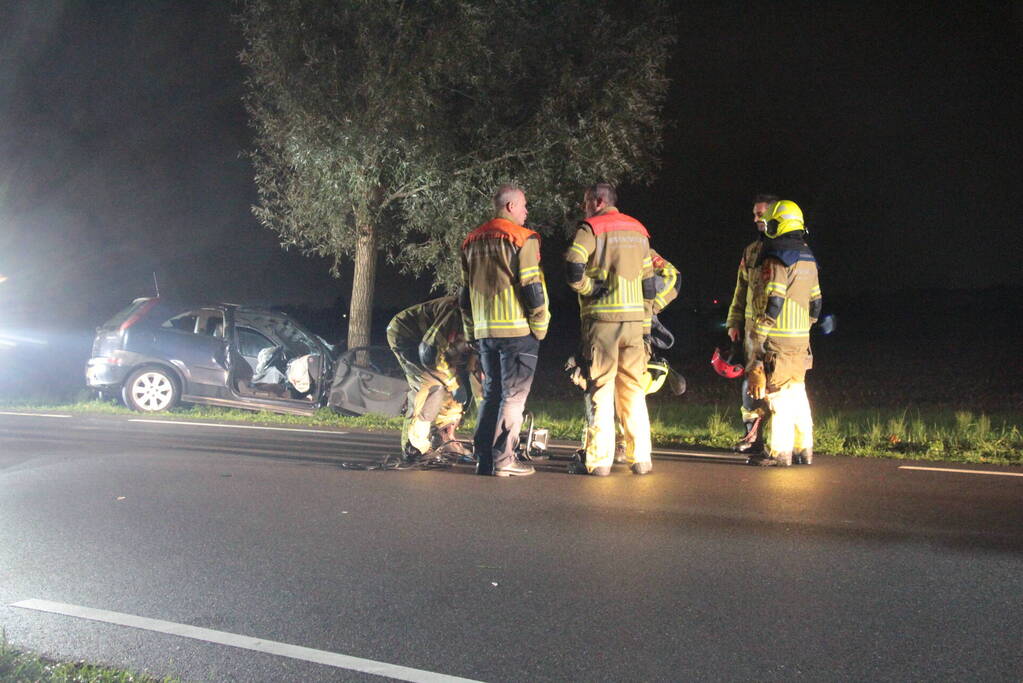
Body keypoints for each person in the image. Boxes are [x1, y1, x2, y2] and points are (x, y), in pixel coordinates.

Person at [565, 182, 656, 476]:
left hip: (602, 323)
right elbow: (649, 284)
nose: (584, 208)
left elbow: (572, 265)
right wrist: (644, 325)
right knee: (633, 391)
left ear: (598, 201)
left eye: (586, 202)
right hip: (633, 326)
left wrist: (588, 287)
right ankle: (640, 459)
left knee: (600, 390)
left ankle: (599, 461)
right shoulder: (639, 230)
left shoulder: (591, 228)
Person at [459, 185, 550, 477]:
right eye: (524, 206)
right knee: (513, 398)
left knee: (491, 395)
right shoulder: (523, 238)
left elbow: (464, 295)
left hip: (485, 332)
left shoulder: (471, 241)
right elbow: (532, 288)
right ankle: (503, 459)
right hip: (517, 331)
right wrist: (540, 327)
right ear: (510, 207)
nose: (526, 212)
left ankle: (483, 458)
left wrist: (472, 332)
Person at [745, 199, 821, 466]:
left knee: (777, 396)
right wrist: (806, 326)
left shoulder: (777, 255)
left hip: (778, 338)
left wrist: (759, 334)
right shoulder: (808, 255)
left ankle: (780, 453)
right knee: (797, 392)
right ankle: (804, 449)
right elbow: (816, 302)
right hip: (802, 338)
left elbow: (774, 300)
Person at [386, 295, 474, 462]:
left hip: (436, 344)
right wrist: (453, 384)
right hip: (406, 335)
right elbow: (430, 354)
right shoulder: (456, 313)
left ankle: (444, 437)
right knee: (431, 387)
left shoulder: (483, 319)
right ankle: (414, 447)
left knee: (455, 384)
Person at [725, 194, 779, 459]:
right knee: (751, 386)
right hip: (751, 333)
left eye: (761, 214)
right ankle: (754, 441)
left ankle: (782, 444)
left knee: (777, 389)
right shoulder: (751, 252)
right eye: (755, 215)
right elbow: (740, 290)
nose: (756, 219)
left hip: (779, 334)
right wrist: (734, 321)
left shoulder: (788, 250)